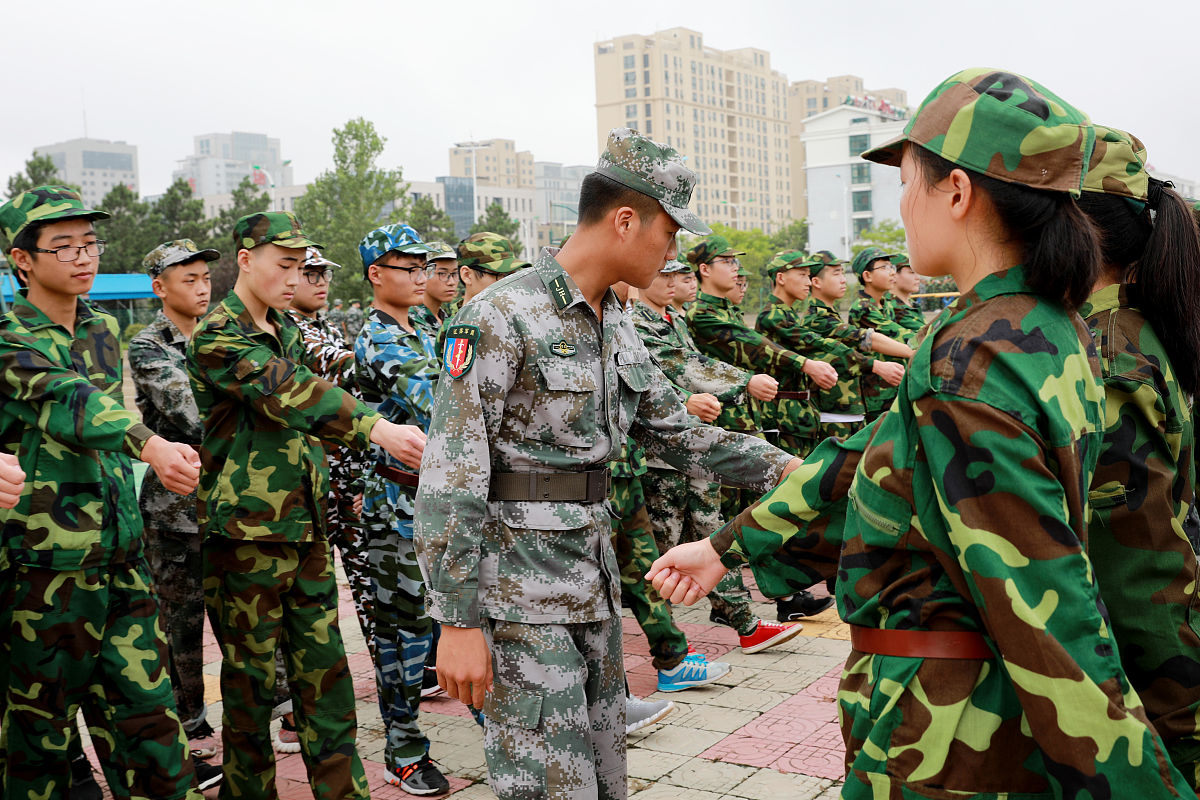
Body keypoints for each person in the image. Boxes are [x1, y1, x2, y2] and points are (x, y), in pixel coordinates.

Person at [650, 68, 1198, 797]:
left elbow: (1047, 607)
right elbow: (871, 451)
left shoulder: (973, 355)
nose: (903, 207)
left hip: (943, 736)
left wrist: (1148, 786)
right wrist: (728, 545)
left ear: (960, 193)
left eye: (910, 183)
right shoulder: (1034, 329)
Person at [415, 127, 802, 800]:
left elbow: (675, 432)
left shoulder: (614, 320)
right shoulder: (502, 315)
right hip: (518, 599)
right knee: (545, 787)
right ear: (626, 219)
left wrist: (795, 472)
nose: (675, 252)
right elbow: (453, 475)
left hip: (592, 585)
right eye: (671, 235)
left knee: (601, 780)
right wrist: (456, 621)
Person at [188, 211, 427, 800]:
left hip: (307, 530)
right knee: (249, 691)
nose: (294, 277)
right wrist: (373, 426)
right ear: (245, 260)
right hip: (246, 536)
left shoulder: (288, 328)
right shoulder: (218, 335)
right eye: (284, 264)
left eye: (300, 266)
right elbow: (290, 393)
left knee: (328, 682)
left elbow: (331, 382)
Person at [0, 186, 210, 798]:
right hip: (42, 575)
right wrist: (151, 444)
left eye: (89, 243)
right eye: (61, 246)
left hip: (122, 561)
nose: (82, 257)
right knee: (37, 751)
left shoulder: (102, 326)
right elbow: (71, 401)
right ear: (23, 260)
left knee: (154, 733)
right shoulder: (10, 334)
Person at [1076, 124, 1200, 787]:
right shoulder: (1129, 324)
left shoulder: (1106, 352)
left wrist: (1179, 732)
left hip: (1156, 677)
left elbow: (1138, 565)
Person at [353, 222, 449, 794]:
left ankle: (497, 723)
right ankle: (404, 748)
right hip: (397, 506)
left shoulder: (428, 327)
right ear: (375, 275)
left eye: (423, 267)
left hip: (441, 500)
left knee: (463, 620)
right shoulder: (380, 338)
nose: (419, 277)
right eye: (406, 268)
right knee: (405, 635)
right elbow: (440, 398)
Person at [128, 239, 227, 772]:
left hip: (228, 502)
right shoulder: (149, 346)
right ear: (159, 287)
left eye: (204, 276)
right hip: (175, 510)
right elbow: (191, 416)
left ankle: (262, 712)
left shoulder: (223, 335)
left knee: (237, 616)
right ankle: (189, 727)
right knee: (180, 624)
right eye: (187, 278)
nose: (202, 285)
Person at [282, 246, 376, 753]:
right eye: (308, 273)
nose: (320, 282)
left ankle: (389, 685)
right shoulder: (289, 332)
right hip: (311, 489)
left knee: (366, 588)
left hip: (345, 482)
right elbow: (346, 371)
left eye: (323, 274)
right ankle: (295, 715)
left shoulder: (330, 326)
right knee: (308, 607)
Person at [804, 250, 912, 439]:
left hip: (850, 408)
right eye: (836, 273)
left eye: (842, 273)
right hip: (836, 412)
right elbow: (865, 339)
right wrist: (913, 352)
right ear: (816, 282)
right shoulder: (817, 319)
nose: (843, 279)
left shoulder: (831, 314)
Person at [847, 247, 913, 424]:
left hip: (894, 388)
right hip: (876, 395)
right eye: (884, 268)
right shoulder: (862, 308)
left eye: (891, 267)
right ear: (867, 276)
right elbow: (899, 334)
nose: (892, 273)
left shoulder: (886, 305)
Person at [410, 240, 459, 341]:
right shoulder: (410, 321)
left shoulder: (446, 319)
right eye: (442, 274)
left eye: (454, 274)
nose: (451, 282)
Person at [887, 253, 925, 334]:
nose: (918, 277)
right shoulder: (892, 306)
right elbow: (929, 335)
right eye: (911, 272)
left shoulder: (911, 304)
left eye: (917, 273)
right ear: (894, 275)